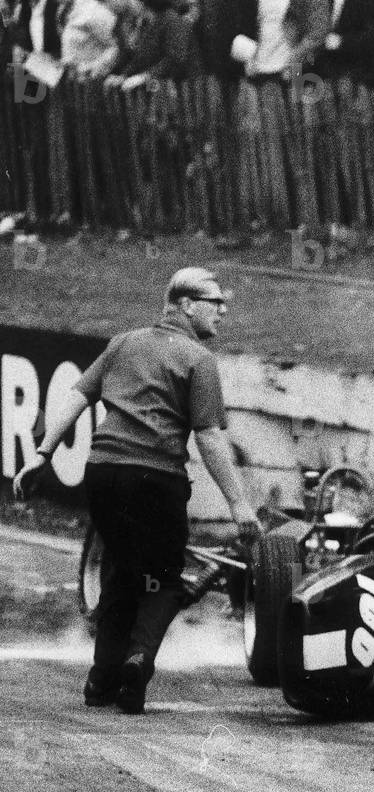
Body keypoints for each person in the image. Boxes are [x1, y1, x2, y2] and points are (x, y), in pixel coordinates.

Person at [14, 267, 261, 714]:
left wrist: (42, 454)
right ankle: (138, 662)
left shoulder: (124, 343)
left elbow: (75, 397)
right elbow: (208, 437)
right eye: (215, 302)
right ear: (186, 305)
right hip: (156, 480)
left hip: (104, 474)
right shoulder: (198, 360)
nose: (223, 311)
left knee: (120, 574)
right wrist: (240, 505)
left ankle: (100, 680)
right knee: (164, 581)